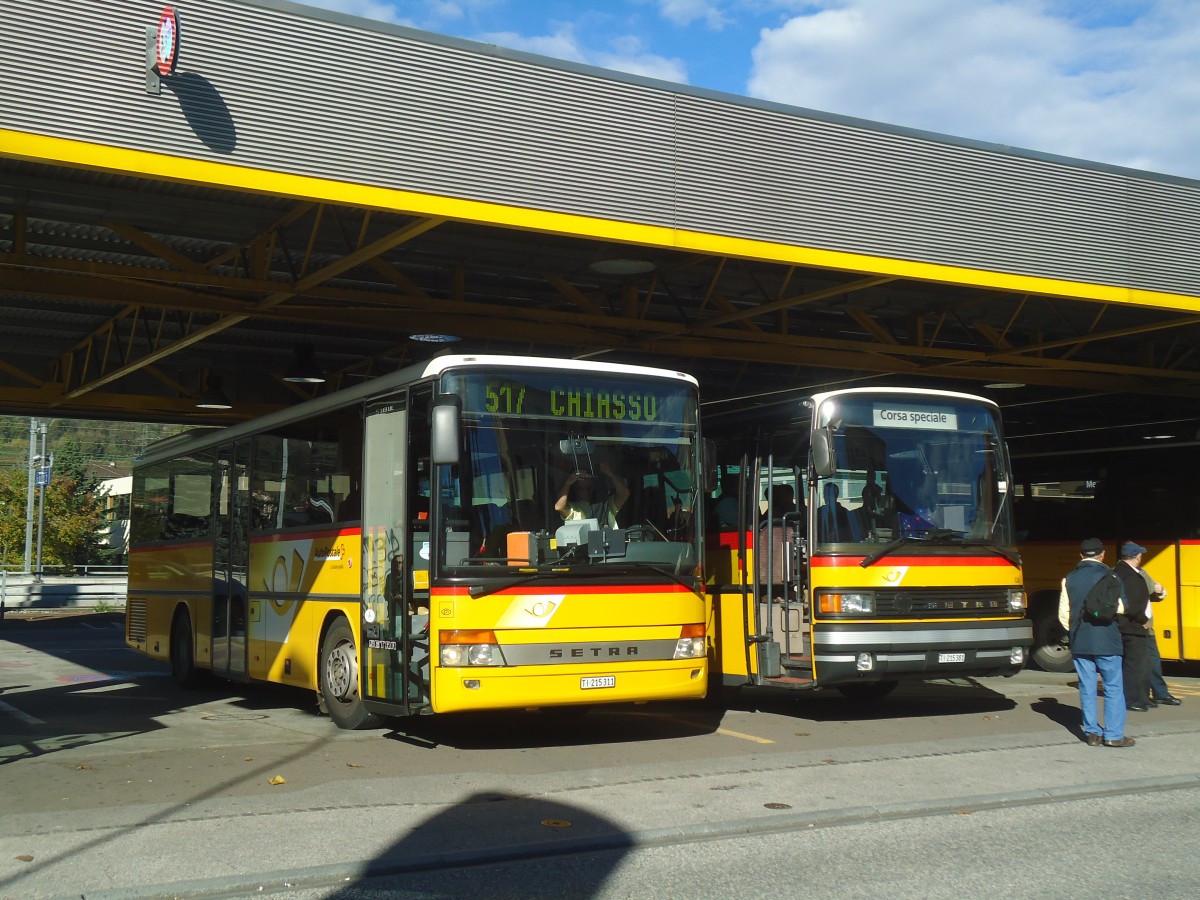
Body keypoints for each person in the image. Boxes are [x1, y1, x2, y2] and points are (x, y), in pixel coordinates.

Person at [1057, 537, 1135, 747]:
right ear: (1102, 555)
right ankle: (1113, 735)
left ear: (1081, 556)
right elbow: (1121, 608)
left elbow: (1064, 614)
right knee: (1113, 687)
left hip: (1080, 641)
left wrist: (1075, 631)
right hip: (1107, 640)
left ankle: (1092, 733)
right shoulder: (1111, 577)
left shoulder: (1069, 578)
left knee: (1087, 687)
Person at [1134, 549, 1183, 707]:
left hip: (1146, 627)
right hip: (1137, 627)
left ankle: (1158, 693)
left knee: (1152, 661)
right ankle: (1144, 696)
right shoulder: (1125, 574)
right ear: (1137, 557)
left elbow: (1156, 593)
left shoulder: (1142, 572)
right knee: (1141, 663)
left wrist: (1160, 591)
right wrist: (1156, 590)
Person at [1113, 541, 1153, 711]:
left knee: (1132, 664)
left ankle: (1141, 698)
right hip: (1133, 626)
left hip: (1123, 626)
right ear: (1137, 557)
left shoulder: (1118, 572)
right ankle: (1135, 700)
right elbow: (1133, 603)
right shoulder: (1131, 576)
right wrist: (1143, 619)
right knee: (1136, 665)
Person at [555, 462, 629, 527]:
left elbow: (624, 493)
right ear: (576, 490)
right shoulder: (575, 509)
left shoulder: (605, 504)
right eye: (581, 489)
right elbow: (559, 507)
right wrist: (568, 482)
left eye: (589, 488)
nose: (586, 492)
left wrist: (611, 474)